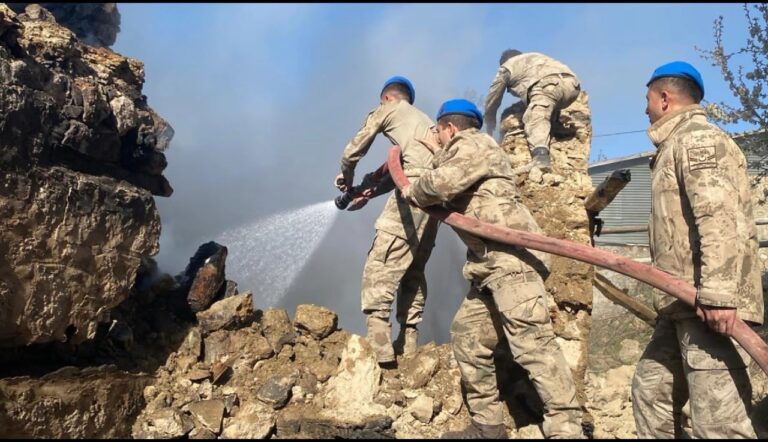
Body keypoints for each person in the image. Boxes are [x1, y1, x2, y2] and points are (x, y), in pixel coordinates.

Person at [401, 99, 583, 439]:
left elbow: (437, 187)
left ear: (450, 128)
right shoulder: (464, 152)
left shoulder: (474, 143)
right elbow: (451, 174)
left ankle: (567, 429)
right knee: (468, 337)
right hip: (489, 267)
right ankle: (488, 427)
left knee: (534, 346)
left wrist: (412, 189)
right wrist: (437, 155)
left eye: (438, 133)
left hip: (512, 260)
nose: (436, 139)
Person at [631, 61, 763, 438]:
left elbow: (718, 217)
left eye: (648, 99)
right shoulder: (674, 146)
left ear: (665, 98)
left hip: (709, 305)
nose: (645, 109)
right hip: (681, 303)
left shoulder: (697, 140)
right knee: (651, 391)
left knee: (719, 423)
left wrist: (720, 295)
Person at [335, 75, 440, 366]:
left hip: (415, 190)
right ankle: (409, 343)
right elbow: (403, 167)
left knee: (381, 261)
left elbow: (353, 150)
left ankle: (380, 347)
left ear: (387, 98)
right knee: (413, 268)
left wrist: (347, 177)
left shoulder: (389, 109)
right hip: (436, 198)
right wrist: (369, 190)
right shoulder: (425, 121)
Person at [483, 49, 583, 171]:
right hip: (573, 86)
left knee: (534, 116)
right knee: (550, 106)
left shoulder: (507, 66)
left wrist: (489, 119)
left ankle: (540, 157)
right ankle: (557, 129)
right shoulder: (536, 57)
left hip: (548, 85)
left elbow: (494, 96)